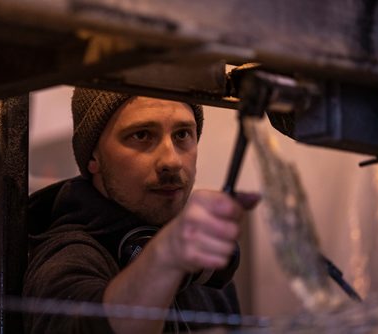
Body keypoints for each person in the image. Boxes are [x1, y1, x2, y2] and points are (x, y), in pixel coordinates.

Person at [23, 88, 260, 333]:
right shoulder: (67, 257)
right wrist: (166, 256)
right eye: (142, 135)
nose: (172, 161)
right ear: (94, 157)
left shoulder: (202, 272)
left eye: (182, 134)